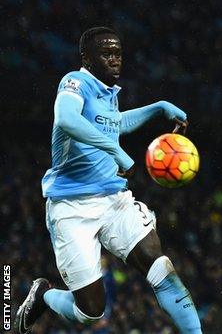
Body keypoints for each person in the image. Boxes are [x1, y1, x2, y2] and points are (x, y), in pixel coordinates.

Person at [15, 27, 202, 333]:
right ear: (87, 58)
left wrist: (158, 108)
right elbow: (66, 119)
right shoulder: (75, 83)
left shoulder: (107, 92)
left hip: (114, 201)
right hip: (71, 208)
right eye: (107, 53)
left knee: (158, 264)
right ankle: (44, 295)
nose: (115, 60)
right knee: (90, 312)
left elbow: (114, 124)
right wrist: (116, 151)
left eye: (118, 53)